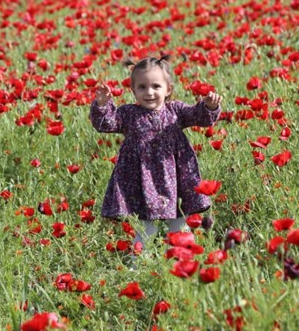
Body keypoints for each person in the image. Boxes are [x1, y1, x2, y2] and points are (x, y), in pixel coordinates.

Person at [89, 54, 222, 253]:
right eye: (142, 87)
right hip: (142, 181)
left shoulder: (175, 111)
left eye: (156, 86)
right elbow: (106, 124)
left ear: (168, 89)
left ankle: (183, 259)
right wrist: (102, 105)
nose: (149, 92)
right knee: (146, 229)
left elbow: (199, 116)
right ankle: (138, 264)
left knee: (179, 224)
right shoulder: (128, 114)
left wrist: (210, 106)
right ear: (133, 90)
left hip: (175, 179)